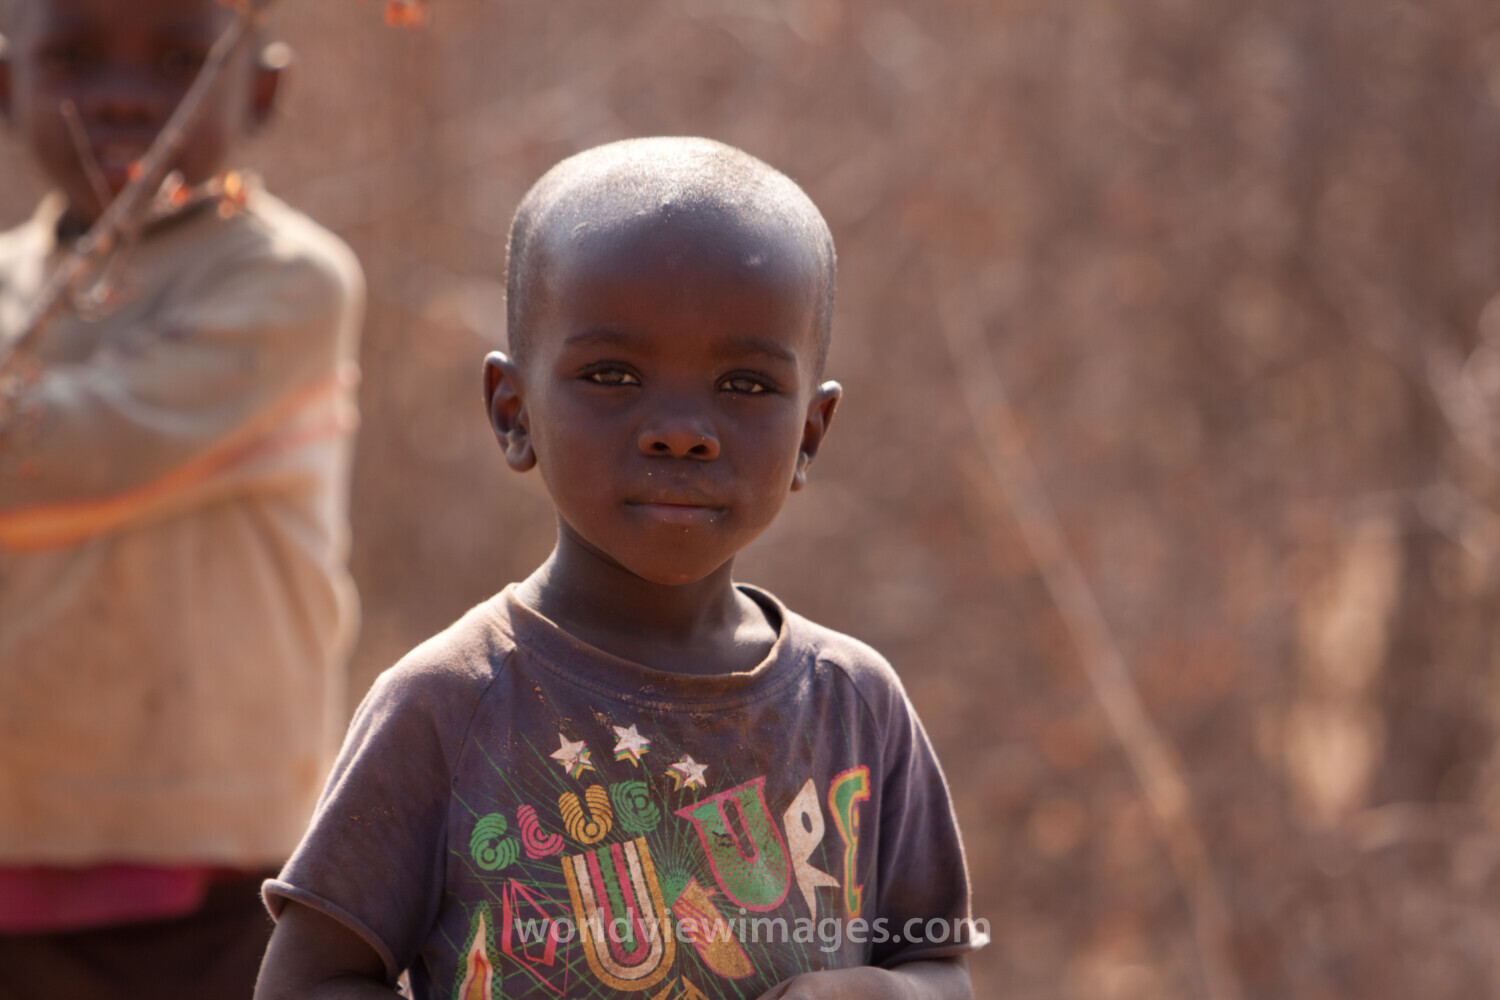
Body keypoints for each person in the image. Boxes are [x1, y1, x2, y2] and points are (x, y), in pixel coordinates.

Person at [257, 136, 981, 1000]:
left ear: (810, 437)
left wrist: (887, 996)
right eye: (612, 374)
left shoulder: (853, 702)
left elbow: (938, 960)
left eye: (746, 386)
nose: (681, 429)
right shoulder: (450, 704)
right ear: (513, 412)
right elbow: (309, 981)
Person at [0, 0, 363, 996]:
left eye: (178, 62)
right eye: (75, 56)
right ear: (4, 84)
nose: (124, 95)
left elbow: (74, 447)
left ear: (262, 89)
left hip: (211, 869)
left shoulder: (286, 282)